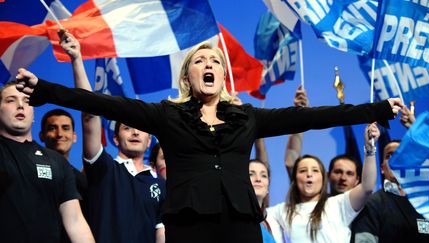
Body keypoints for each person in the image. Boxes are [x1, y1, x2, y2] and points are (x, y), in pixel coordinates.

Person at [16, 41, 402, 242]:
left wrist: (379, 108)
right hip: (189, 223)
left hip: (239, 223)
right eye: (200, 62)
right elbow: (101, 102)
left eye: (215, 62)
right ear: (188, 76)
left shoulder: (246, 117)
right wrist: (45, 88)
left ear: (223, 76)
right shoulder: (167, 114)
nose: (209, 67)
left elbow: (313, 116)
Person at [58, 32, 166, 243]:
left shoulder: (161, 185)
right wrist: (77, 59)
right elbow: (90, 115)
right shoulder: (103, 169)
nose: (135, 132)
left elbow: (161, 233)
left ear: (149, 139)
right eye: (127, 128)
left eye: (141, 129)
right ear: (115, 139)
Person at [0, 81, 94, 242]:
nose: (20, 105)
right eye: (11, 100)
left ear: (33, 113)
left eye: (27, 101)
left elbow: (75, 222)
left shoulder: (57, 161)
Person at [267, 123, 380, 242]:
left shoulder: (338, 204)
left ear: (323, 178)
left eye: (315, 170)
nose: (309, 174)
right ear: (295, 178)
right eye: (303, 170)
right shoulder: (280, 211)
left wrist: (369, 149)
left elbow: (367, 187)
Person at [350, 107, 429, 243]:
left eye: (400, 154)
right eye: (389, 156)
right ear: (382, 168)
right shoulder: (373, 203)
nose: (395, 160)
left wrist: (415, 128)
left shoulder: (426, 203)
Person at [39, 108, 88, 206]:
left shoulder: (83, 181)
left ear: (74, 137)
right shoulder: (32, 171)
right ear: (41, 136)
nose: (60, 134)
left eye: (65, 128)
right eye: (52, 128)